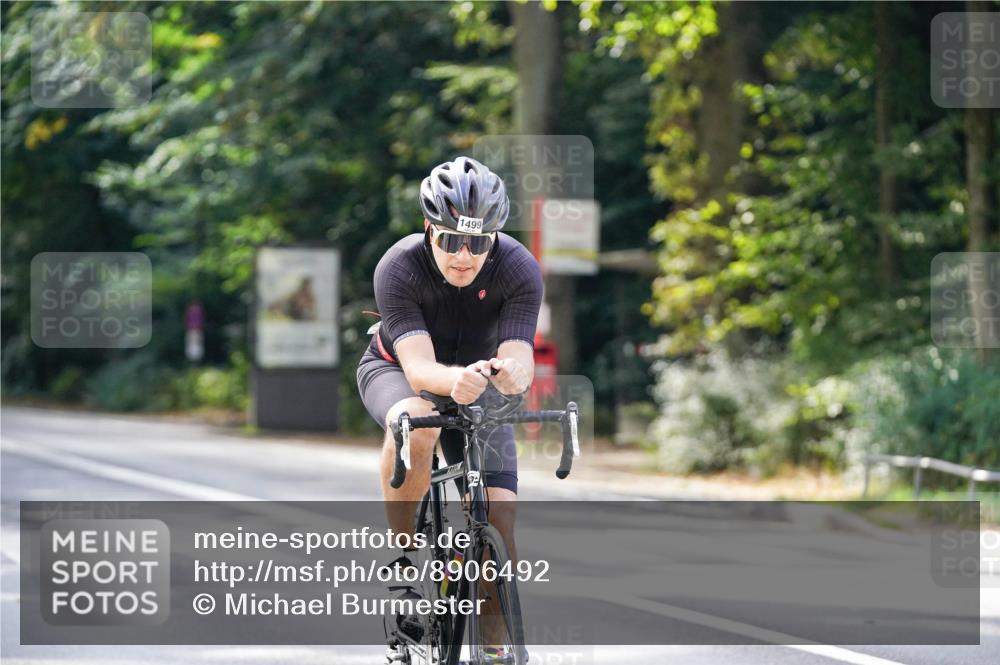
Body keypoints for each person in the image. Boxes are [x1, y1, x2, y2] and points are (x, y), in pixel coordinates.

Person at [356, 156, 542, 649]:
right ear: (428, 229)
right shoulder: (399, 267)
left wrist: (514, 374)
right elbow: (419, 370)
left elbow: (517, 353)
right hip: (398, 370)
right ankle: (404, 564)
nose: (464, 254)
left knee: (500, 519)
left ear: (494, 240)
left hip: (478, 383)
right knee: (418, 422)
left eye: (479, 242)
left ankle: (495, 648)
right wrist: (454, 379)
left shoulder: (519, 268)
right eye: (451, 239)